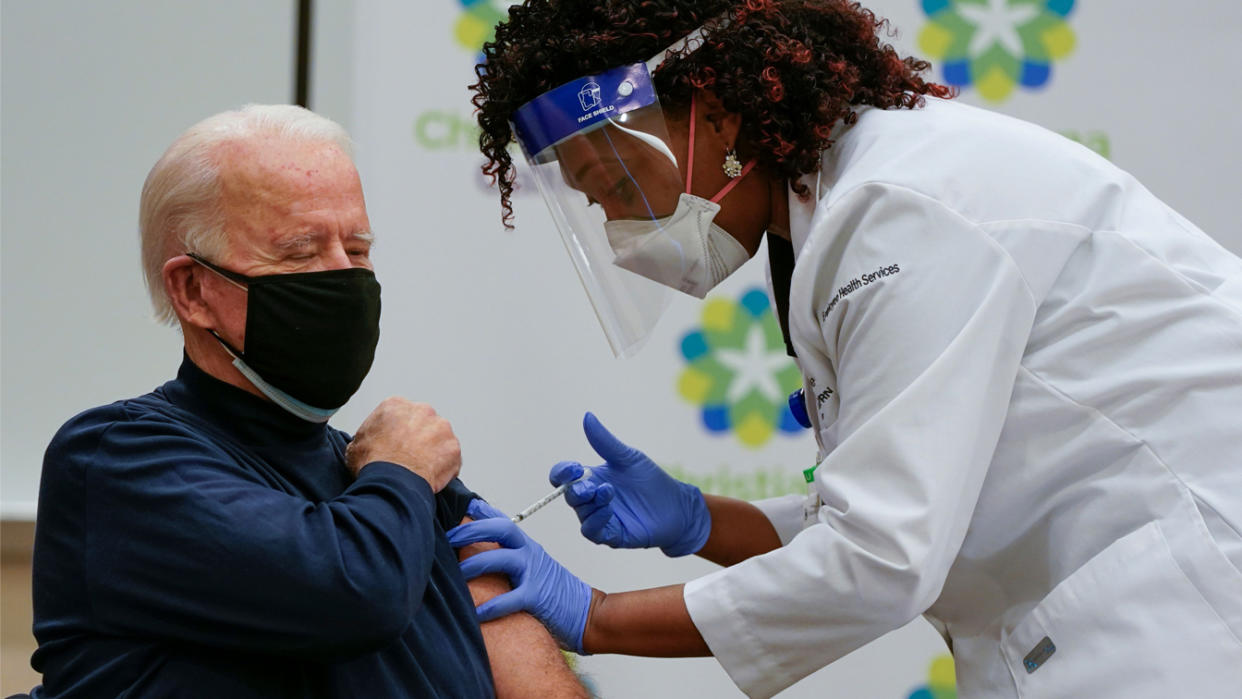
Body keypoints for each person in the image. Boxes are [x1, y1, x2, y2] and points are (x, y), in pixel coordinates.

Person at [446, 1, 1242, 697]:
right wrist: (699, 520)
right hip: (1109, 613)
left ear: (718, 113)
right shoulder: (832, 214)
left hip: (1189, 608)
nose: (624, 237)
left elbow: (880, 560)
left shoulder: (894, 209)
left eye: (622, 188)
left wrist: (598, 614)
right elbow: (873, 516)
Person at [29, 104, 585, 699]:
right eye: (300, 252)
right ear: (194, 290)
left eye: (358, 249)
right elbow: (355, 593)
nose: (344, 277)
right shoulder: (120, 459)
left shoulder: (388, 477)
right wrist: (402, 471)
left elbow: (536, 685)